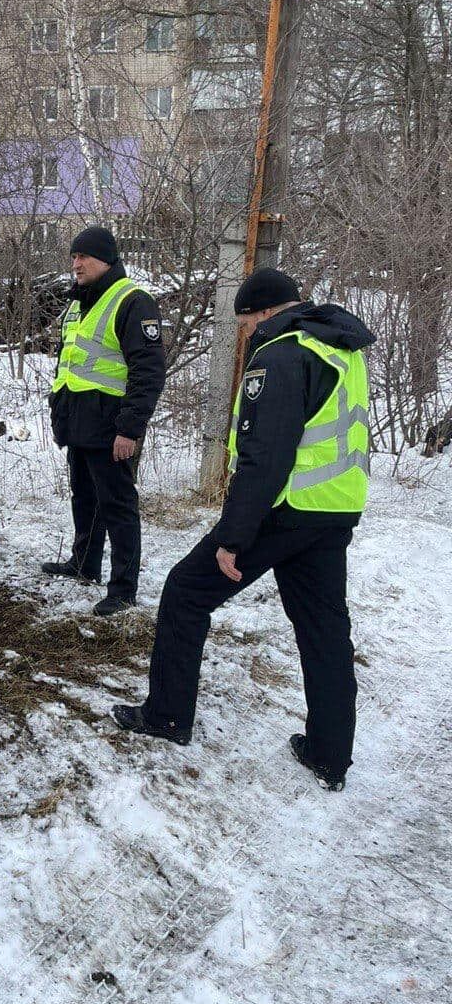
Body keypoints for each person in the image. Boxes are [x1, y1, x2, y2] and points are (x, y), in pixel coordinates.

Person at [113, 266, 374, 791]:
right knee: (324, 630)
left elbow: (264, 457)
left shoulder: (279, 356)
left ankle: (166, 716)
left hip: (283, 509)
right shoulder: (337, 347)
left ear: (262, 312)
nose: (246, 333)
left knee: (186, 592)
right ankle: (329, 753)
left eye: (246, 322)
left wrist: (234, 536)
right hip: (334, 508)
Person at [43, 225, 166, 617]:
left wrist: (130, 428)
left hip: (112, 426)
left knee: (118, 506)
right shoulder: (82, 301)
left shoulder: (132, 301)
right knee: (84, 497)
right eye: (74, 257)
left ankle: (123, 588)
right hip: (79, 420)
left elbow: (148, 371)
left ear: (106, 260)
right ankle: (85, 564)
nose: (76, 264)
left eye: (84, 257)